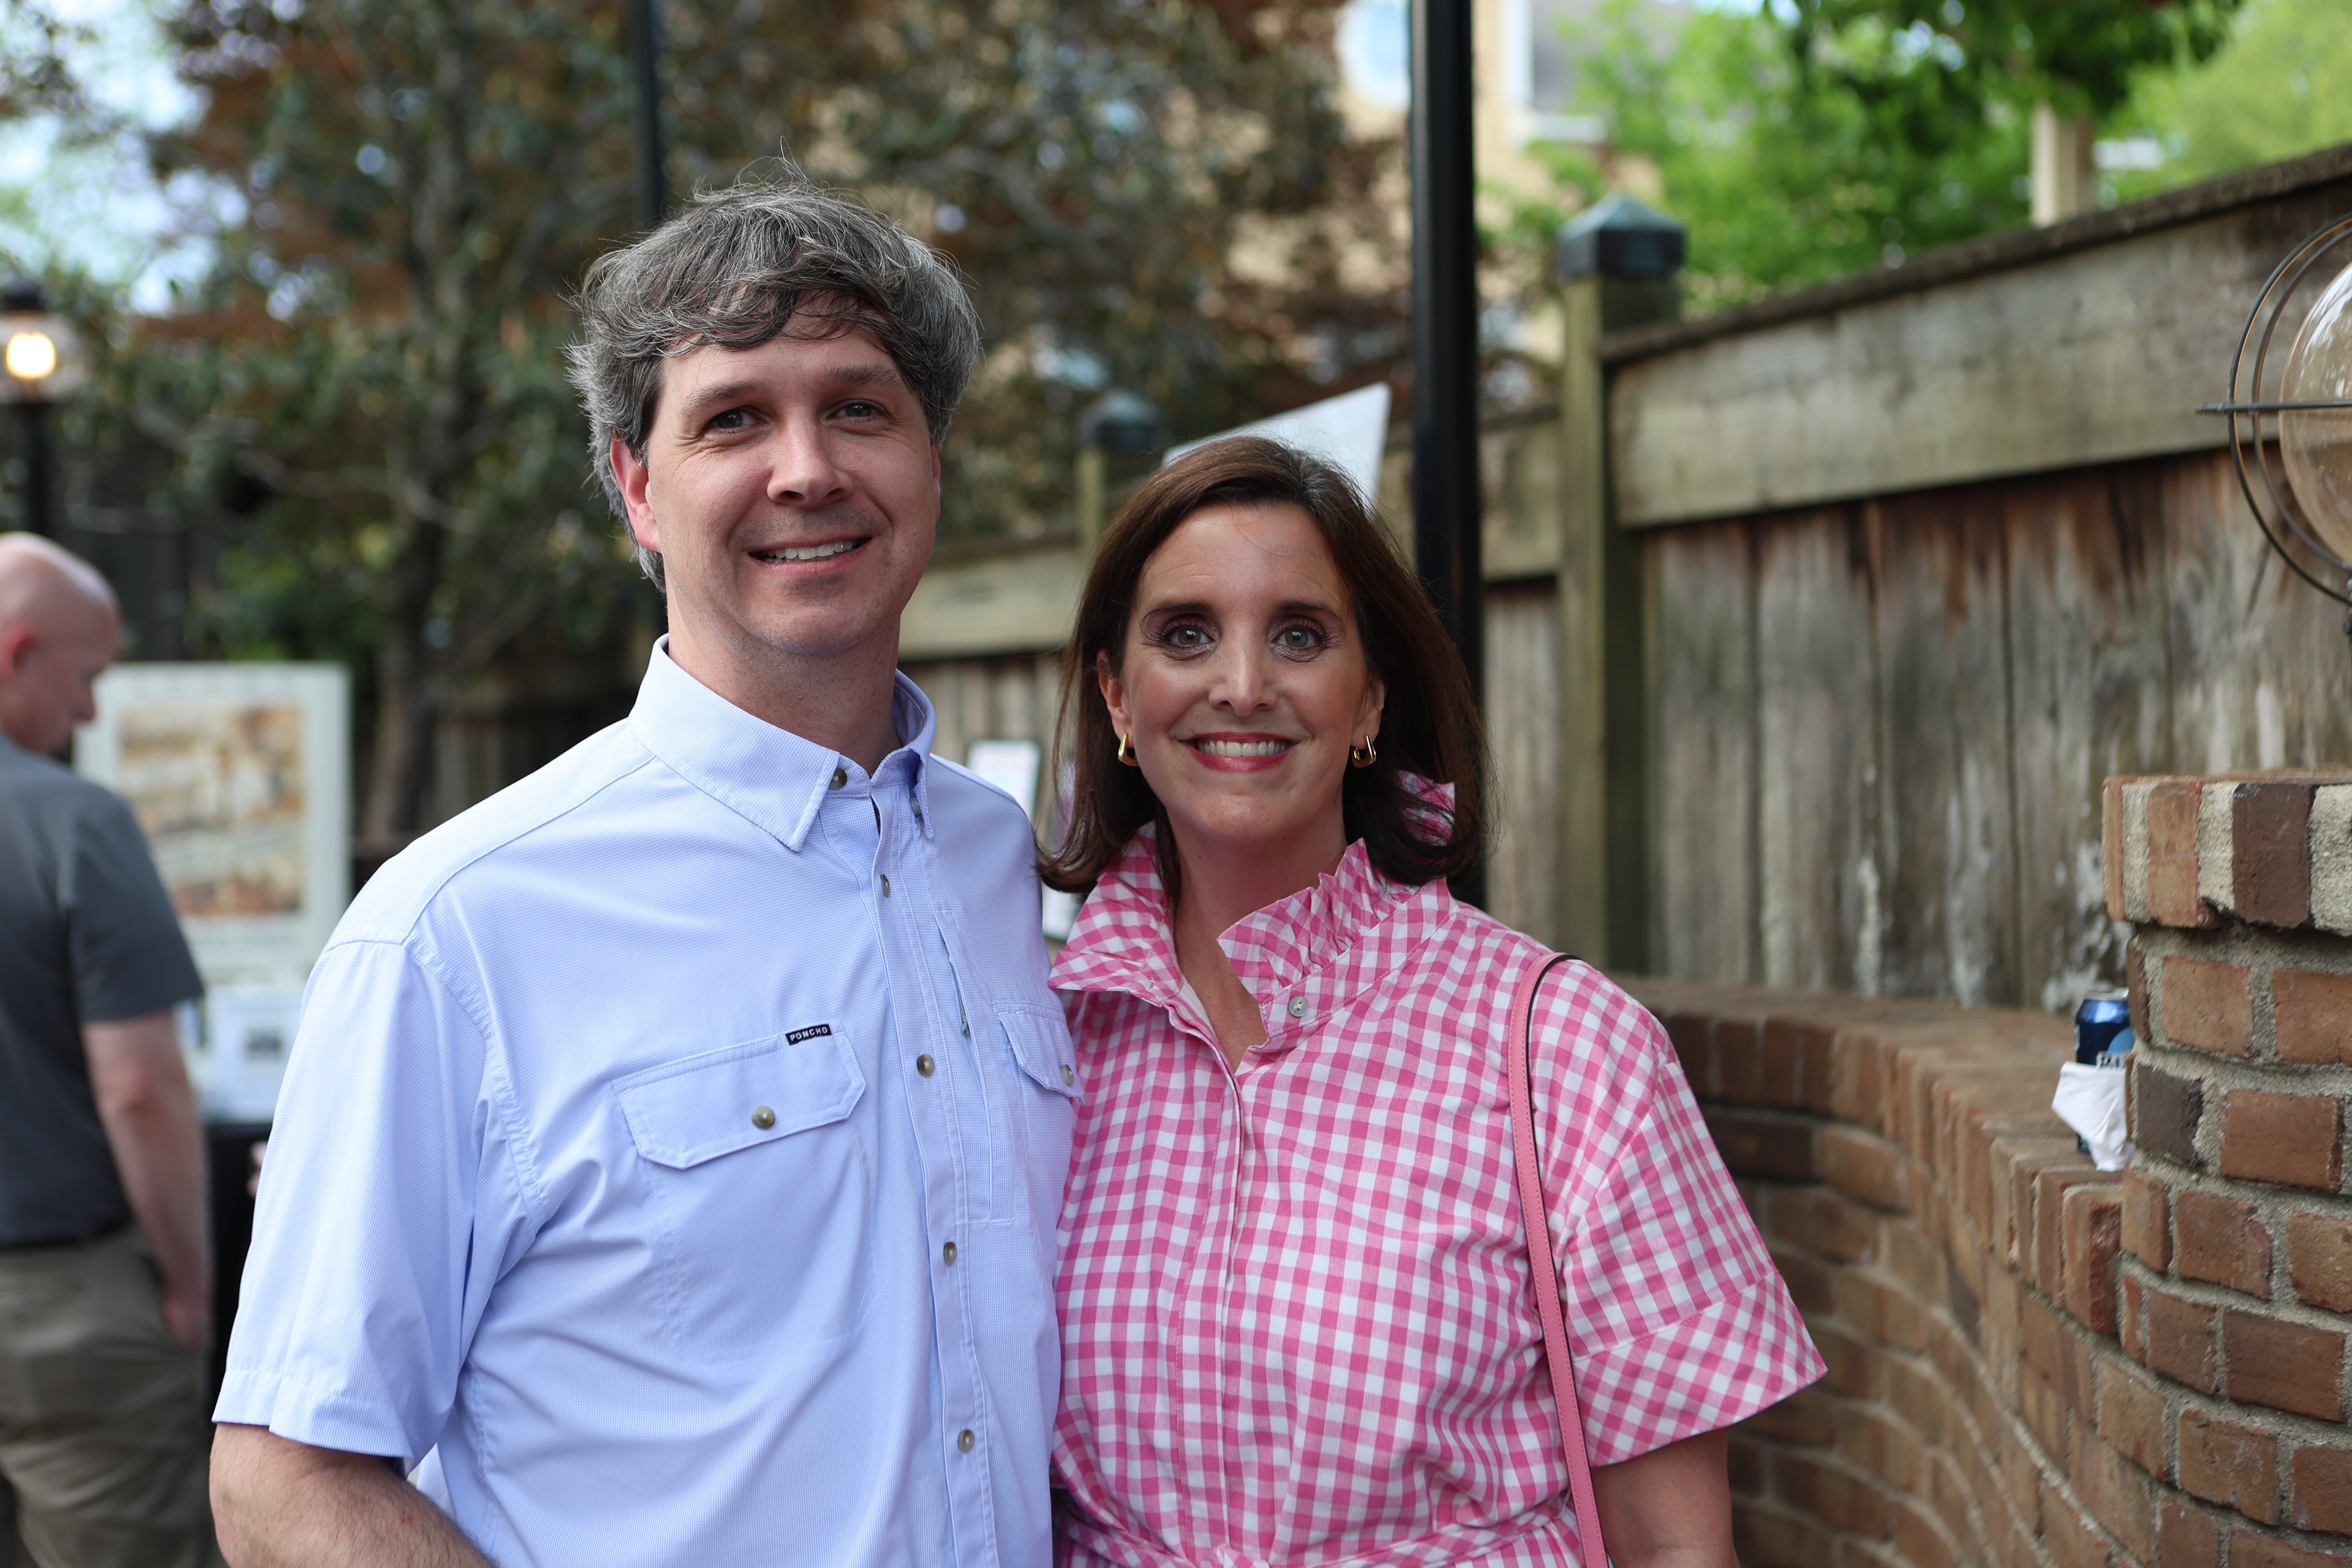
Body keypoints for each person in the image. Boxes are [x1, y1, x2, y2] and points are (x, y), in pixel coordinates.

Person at [209, 173, 1079, 1567]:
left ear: (934, 460)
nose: (806, 468)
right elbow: (283, 1480)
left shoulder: (1001, 864)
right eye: (733, 419)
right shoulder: (457, 931)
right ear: (636, 489)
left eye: (860, 407)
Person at [1041, 439, 1826, 1567]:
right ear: (1118, 693)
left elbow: (1675, 1548)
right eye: (1186, 633)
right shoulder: (1040, 1046)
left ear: (1370, 699)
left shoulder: (1565, 1049)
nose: (1243, 684)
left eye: (1300, 634)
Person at [0, 534, 214, 1568]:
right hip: (61, 1308)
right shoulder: (73, 824)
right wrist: (189, 1285)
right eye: (86, 677)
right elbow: (141, 1090)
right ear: (17, 652)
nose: (88, 712)